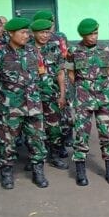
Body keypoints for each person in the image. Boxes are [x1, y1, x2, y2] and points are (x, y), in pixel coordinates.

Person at [0, 18, 50, 189]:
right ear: (10, 34)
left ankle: (38, 172)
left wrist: (41, 97)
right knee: (7, 143)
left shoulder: (33, 52)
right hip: (10, 108)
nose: (27, 35)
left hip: (34, 106)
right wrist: (6, 98)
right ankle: (7, 173)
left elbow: (42, 76)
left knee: (37, 140)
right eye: (22, 32)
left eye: (27, 32)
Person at [66, 18, 109, 186]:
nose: (94, 37)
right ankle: (81, 171)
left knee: (107, 134)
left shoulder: (105, 49)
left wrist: (98, 83)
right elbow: (71, 74)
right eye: (90, 34)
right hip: (83, 100)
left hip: (103, 99)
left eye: (96, 33)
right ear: (83, 35)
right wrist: (84, 87)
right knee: (81, 135)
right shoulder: (73, 50)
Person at [30, 19, 69, 171]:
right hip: (31, 97)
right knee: (34, 130)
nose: (45, 35)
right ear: (34, 33)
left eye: (47, 32)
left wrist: (62, 95)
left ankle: (54, 156)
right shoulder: (27, 50)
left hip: (51, 95)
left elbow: (60, 73)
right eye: (41, 32)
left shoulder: (54, 49)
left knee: (54, 128)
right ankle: (35, 158)